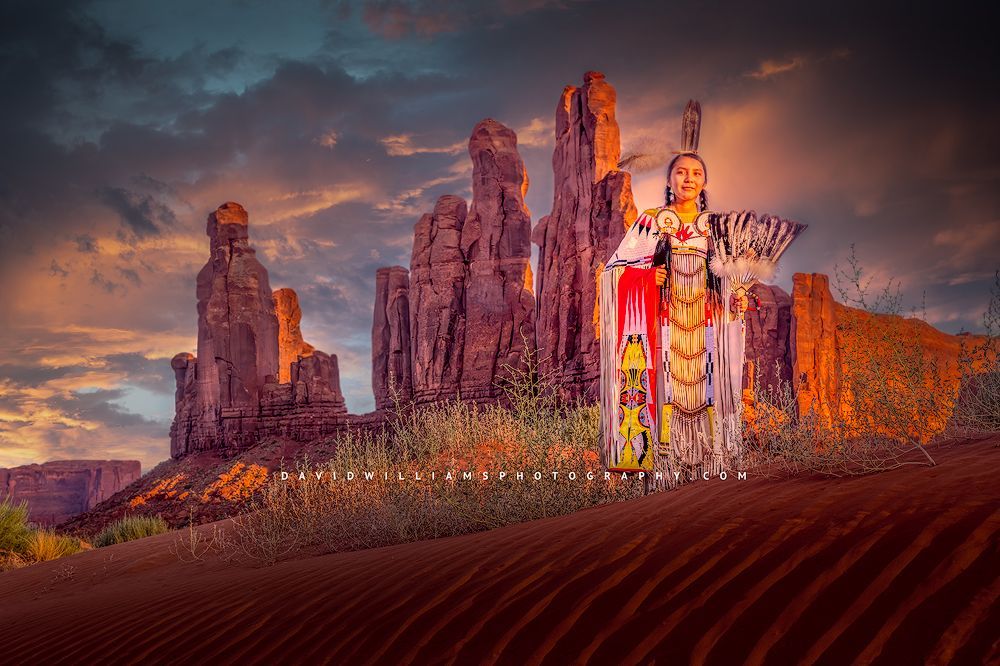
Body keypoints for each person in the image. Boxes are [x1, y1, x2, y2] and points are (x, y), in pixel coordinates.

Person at [599, 100, 805, 487]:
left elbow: (728, 279)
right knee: (669, 393)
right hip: (665, 325)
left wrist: (736, 298)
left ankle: (710, 470)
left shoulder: (717, 228)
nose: (688, 179)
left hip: (707, 324)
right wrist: (648, 277)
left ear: (704, 182)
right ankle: (666, 475)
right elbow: (613, 273)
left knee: (707, 391)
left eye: (696, 173)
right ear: (669, 180)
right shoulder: (652, 222)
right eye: (681, 172)